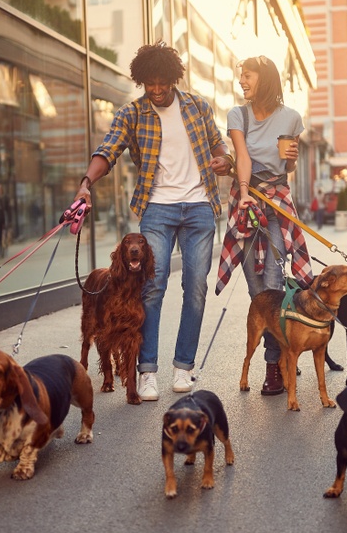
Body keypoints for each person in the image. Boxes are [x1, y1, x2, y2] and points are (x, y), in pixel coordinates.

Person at [69, 42, 233, 401]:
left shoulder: (197, 107)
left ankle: (183, 368)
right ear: (141, 81)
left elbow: (219, 148)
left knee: (196, 288)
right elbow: (108, 149)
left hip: (199, 207)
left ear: (174, 79)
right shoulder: (132, 114)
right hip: (157, 208)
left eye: (163, 83)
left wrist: (225, 162)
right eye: (149, 84)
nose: (157, 90)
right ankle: (146, 372)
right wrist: (85, 184)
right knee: (152, 287)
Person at [215, 55, 313, 396]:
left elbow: (289, 166)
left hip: (276, 203)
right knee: (258, 291)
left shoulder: (291, 117)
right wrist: (243, 193)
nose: (242, 81)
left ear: (265, 79)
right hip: (246, 202)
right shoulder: (237, 114)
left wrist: (290, 159)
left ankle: (275, 367)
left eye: (248, 75)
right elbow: (242, 157)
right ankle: (284, 353)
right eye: (241, 75)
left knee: (273, 282)